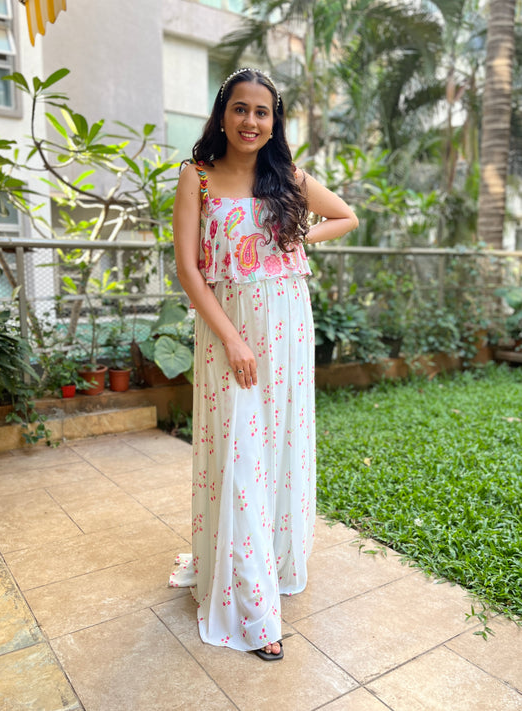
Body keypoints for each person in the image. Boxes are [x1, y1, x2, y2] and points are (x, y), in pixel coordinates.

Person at [169, 68, 358, 661]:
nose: (252, 121)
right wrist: (232, 340)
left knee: (275, 451)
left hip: (287, 327)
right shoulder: (195, 178)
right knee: (240, 458)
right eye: (241, 109)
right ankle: (251, 611)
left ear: (275, 122)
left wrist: (295, 238)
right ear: (222, 113)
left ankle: (267, 565)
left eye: (264, 112)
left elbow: (347, 217)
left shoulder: (288, 180)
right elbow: (189, 270)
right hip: (231, 335)